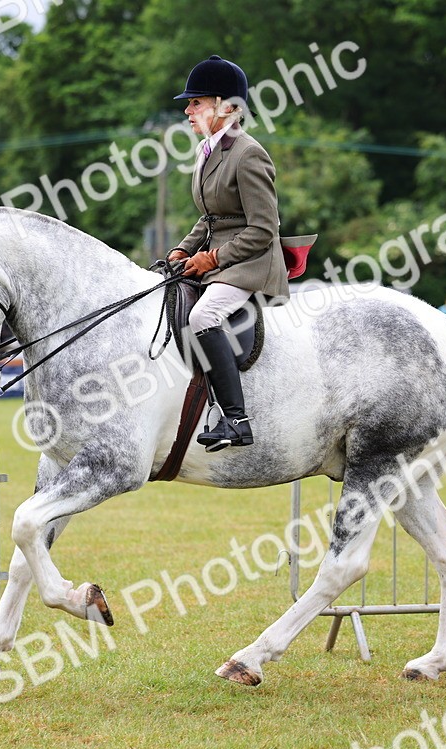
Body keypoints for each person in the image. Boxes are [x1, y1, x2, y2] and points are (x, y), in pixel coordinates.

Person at [166, 55, 288, 452]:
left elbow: (263, 229)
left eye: (196, 102)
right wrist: (182, 250)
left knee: (204, 315)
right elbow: (212, 218)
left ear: (226, 107)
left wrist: (212, 259)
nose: (187, 110)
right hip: (222, 259)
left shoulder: (248, 153)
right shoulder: (207, 151)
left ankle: (236, 419)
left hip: (251, 264)